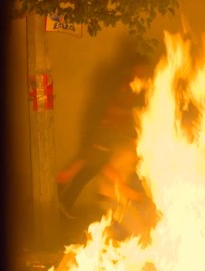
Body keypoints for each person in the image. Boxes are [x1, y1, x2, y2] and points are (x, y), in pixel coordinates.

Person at [58, 61, 149, 218]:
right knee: (89, 164)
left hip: (108, 134)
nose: (142, 72)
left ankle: (65, 197)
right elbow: (116, 110)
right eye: (141, 69)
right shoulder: (125, 85)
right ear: (135, 68)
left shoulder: (131, 86)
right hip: (104, 133)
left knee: (89, 168)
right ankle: (62, 185)